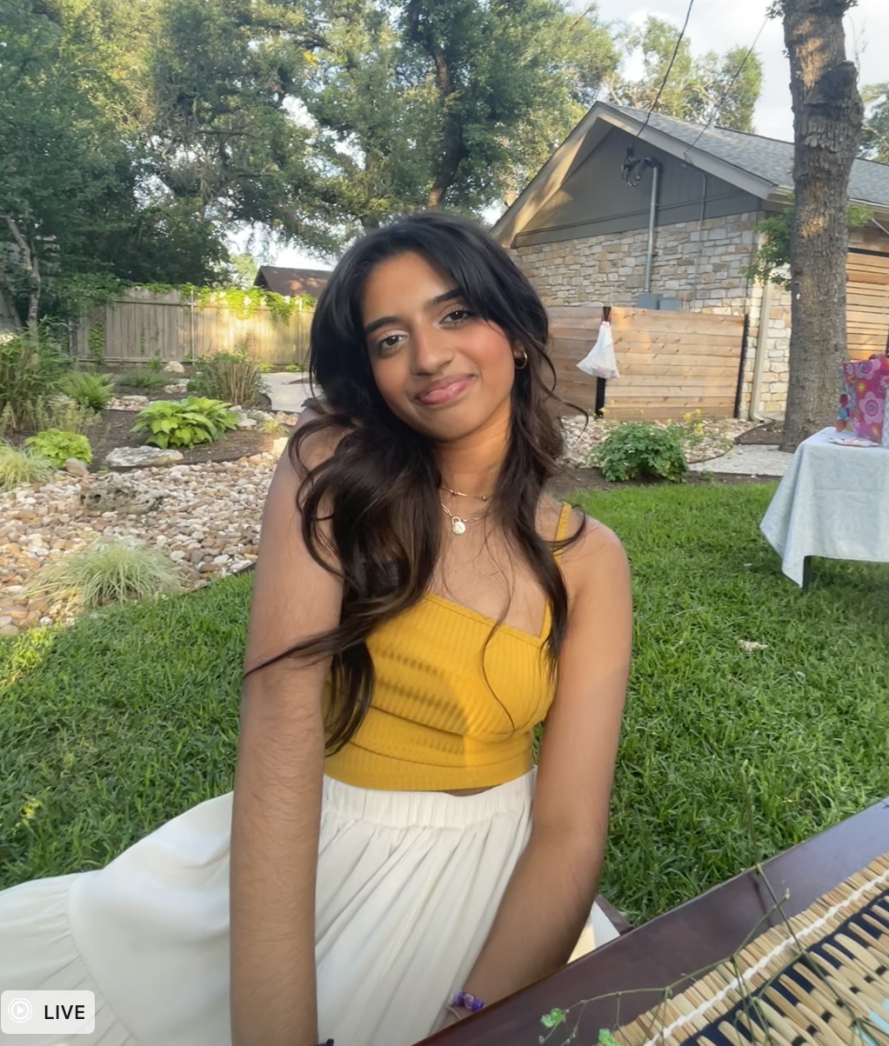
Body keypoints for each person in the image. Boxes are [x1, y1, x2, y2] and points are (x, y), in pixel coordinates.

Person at [0, 212, 633, 1046]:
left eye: (453, 314)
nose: (427, 356)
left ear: (514, 334)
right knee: (51, 1017)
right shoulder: (333, 471)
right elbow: (279, 721)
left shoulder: (589, 558)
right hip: (316, 853)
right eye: (389, 339)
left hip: (495, 887)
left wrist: (475, 1017)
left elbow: (569, 829)